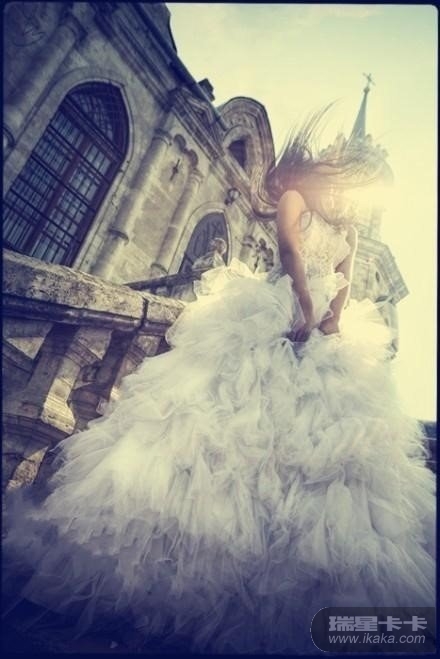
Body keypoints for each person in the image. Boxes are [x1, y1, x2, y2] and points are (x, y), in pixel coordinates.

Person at [2, 107, 435, 655]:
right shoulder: (295, 199)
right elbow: (289, 251)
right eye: (342, 180)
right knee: (219, 422)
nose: (346, 196)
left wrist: (330, 322)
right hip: (272, 313)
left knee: (307, 449)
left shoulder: (347, 230)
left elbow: (345, 285)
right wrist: (305, 304)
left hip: (317, 336)